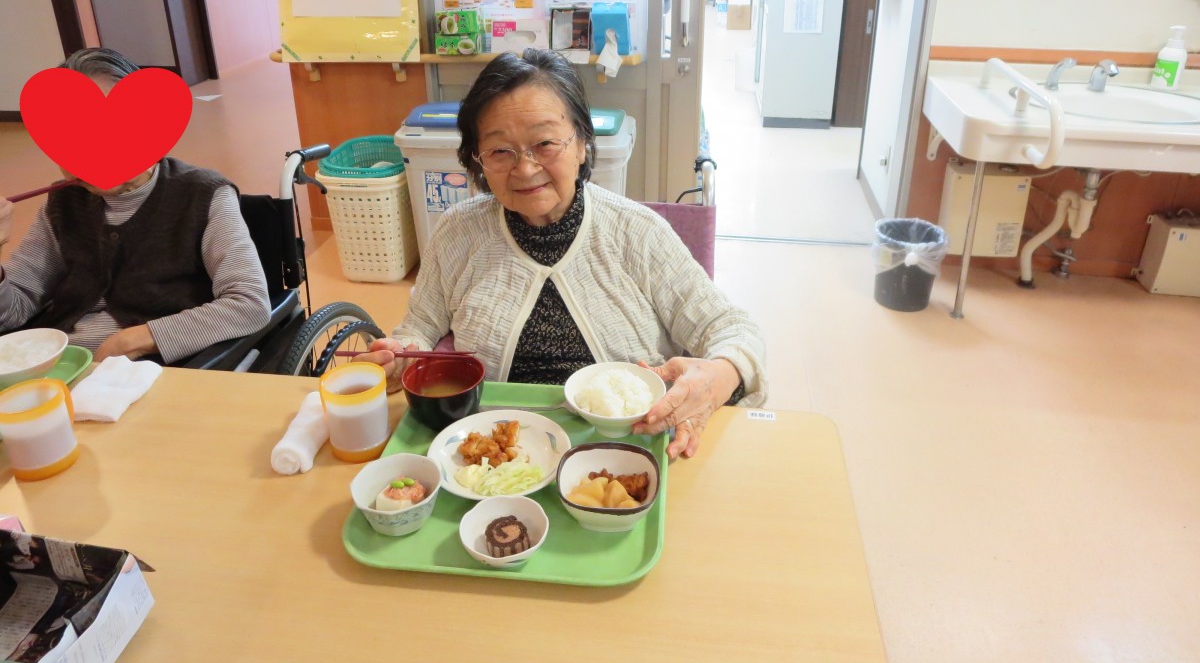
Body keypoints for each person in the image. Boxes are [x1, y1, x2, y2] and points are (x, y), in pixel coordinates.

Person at [360, 49, 766, 460]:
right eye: (500, 151)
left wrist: (717, 376)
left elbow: (732, 329)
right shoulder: (458, 232)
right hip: (495, 455)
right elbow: (421, 326)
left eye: (545, 143)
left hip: (626, 450)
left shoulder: (637, 232)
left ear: (582, 144)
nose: (525, 168)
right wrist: (398, 356)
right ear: (478, 159)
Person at [0, 48, 271, 364]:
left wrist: (134, 340)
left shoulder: (203, 195)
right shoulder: (63, 203)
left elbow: (249, 304)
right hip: (57, 364)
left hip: (154, 370)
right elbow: (13, 312)